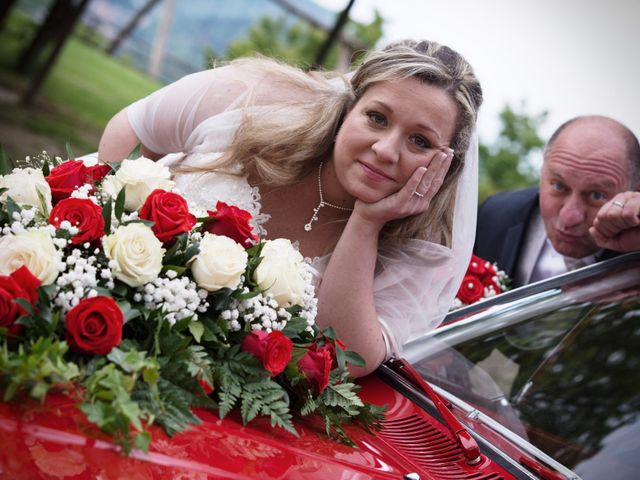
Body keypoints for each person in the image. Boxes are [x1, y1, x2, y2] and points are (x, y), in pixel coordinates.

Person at [98, 40, 483, 376]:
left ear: (446, 164)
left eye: (419, 141)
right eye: (376, 118)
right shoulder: (255, 97)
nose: (385, 150)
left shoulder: (420, 253)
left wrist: (367, 222)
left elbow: (347, 359)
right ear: (349, 107)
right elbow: (135, 127)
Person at [475, 115, 640, 287]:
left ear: (635, 190)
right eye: (558, 186)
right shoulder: (493, 216)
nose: (569, 217)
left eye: (596, 195)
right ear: (542, 170)